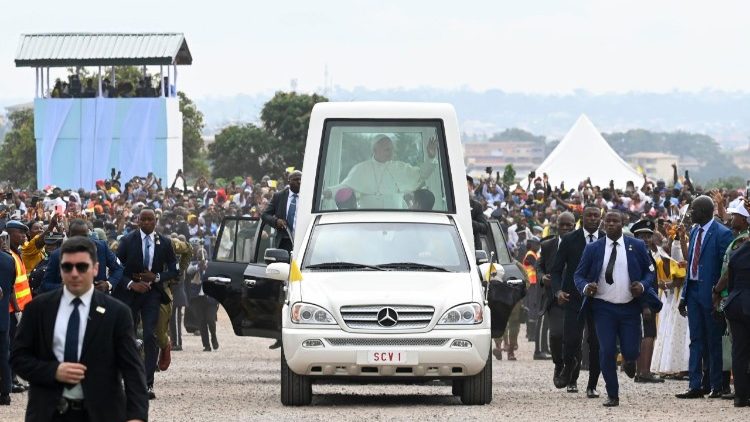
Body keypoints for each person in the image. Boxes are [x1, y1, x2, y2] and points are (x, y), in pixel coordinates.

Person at [10, 236, 148, 421]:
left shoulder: (117, 313)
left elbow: (132, 369)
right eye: (68, 267)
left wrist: (136, 416)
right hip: (48, 412)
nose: (74, 273)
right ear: (60, 269)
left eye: (82, 267)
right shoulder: (38, 309)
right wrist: (53, 371)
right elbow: (19, 357)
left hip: (102, 414)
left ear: (96, 269)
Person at [575, 210, 655, 407]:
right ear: (604, 224)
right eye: (608, 221)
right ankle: (613, 394)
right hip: (603, 308)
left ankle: (630, 360)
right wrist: (586, 287)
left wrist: (643, 286)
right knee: (607, 350)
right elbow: (578, 275)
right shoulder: (594, 248)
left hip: (629, 308)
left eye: (615, 221)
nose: (611, 224)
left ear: (622, 223)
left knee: (630, 350)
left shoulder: (636, 246)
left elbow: (649, 272)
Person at [114, 208, 178, 400]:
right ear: (138, 221)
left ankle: (148, 383)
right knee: (128, 336)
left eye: (150, 219)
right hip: (130, 294)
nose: (147, 223)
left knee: (150, 335)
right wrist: (132, 284)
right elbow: (117, 268)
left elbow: (174, 270)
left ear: (155, 221)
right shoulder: (126, 241)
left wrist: (157, 277)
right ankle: (127, 380)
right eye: (143, 219)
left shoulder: (165, 243)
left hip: (152, 293)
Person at [676, 196, 733, 399]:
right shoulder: (694, 231)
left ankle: (716, 385)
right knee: (696, 339)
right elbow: (691, 264)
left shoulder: (722, 234)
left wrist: (719, 295)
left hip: (711, 294)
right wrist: (684, 296)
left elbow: (724, 268)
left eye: (694, 210)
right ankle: (695, 385)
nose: (690, 214)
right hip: (692, 293)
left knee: (713, 340)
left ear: (705, 211)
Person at [551, 205, 603, 398]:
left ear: (600, 218)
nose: (592, 218)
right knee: (571, 340)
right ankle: (569, 367)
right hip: (573, 297)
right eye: (588, 215)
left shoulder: (606, 240)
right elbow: (556, 270)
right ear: (582, 217)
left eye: (596, 215)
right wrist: (558, 291)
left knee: (596, 343)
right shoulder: (569, 239)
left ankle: (592, 384)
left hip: (599, 300)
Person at [328, 135, 438, 209]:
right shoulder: (361, 169)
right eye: (387, 149)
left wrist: (431, 157)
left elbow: (421, 175)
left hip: (396, 221)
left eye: (392, 149)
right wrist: (327, 192)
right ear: (375, 150)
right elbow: (346, 187)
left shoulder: (400, 167)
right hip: (368, 221)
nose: (391, 152)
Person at [718, 201, 750, 407]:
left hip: (735, 303)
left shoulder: (739, 250)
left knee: (739, 350)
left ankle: (740, 396)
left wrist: (717, 293)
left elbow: (729, 277)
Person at [537, 211, 576, 376]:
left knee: (574, 340)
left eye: (569, 225)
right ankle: (558, 364)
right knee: (555, 335)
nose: (565, 228)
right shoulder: (547, 246)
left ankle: (572, 378)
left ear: (574, 226)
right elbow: (539, 266)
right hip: (554, 299)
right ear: (556, 226)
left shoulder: (582, 244)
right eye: (562, 225)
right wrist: (542, 277)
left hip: (575, 298)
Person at [41, 219, 123, 294]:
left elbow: (118, 268)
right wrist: (65, 288)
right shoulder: (57, 255)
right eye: (76, 236)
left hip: (98, 300)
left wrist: (108, 284)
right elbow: (45, 285)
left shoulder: (101, 247)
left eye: (84, 236)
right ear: (68, 235)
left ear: (88, 234)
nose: (80, 240)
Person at [630, 219, 666, 383]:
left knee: (648, 334)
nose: (645, 239)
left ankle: (642, 371)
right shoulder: (638, 255)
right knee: (648, 335)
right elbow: (638, 280)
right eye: (641, 236)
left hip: (649, 300)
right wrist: (645, 305)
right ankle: (644, 372)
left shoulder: (646, 253)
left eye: (648, 236)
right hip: (643, 302)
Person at [261, 170, 301, 253]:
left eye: (301, 179)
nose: (299, 182)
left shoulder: (309, 196)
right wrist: (276, 221)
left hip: (303, 240)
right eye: (296, 179)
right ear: (289, 181)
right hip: (284, 241)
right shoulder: (279, 196)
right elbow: (265, 215)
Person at [0, 245, 15, 405]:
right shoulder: (9, 260)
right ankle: (5, 392)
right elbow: (10, 286)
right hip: (2, 315)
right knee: (4, 354)